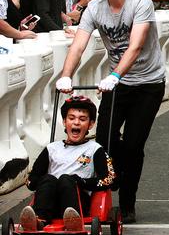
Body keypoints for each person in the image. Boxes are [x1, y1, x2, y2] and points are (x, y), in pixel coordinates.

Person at [55, 0, 166, 223]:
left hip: (148, 83)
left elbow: (136, 45)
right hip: (117, 83)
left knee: (133, 145)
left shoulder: (140, 2)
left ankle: (127, 203)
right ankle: (106, 183)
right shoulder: (95, 8)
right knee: (103, 141)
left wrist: (115, 74)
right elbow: (79, 44)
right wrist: (66, 76)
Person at [18, 96, 115, 231]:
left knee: (66, 179)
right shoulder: (52, 148)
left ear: (90, 124)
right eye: (71, 118)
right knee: (48, 179)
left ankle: (72, 221)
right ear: (64, 122)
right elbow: (32, 178)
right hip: (49, 203)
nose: (76, 123)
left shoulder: (95, 149)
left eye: (82, 119)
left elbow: (109, 179)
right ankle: (39, 220)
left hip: (78, 202)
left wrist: (82, 182)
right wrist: (36, 182)